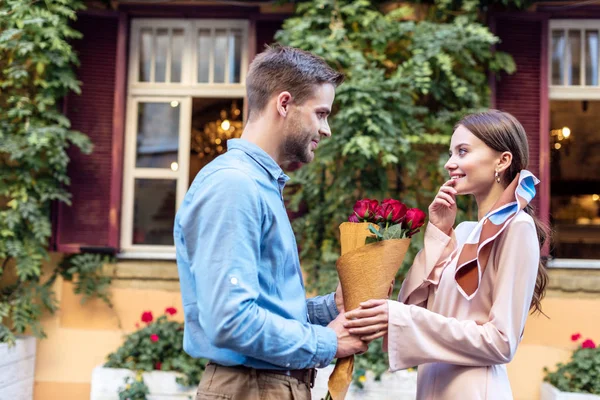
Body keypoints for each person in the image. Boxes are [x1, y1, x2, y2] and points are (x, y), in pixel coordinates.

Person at [174, 45, 368, 400]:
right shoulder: (235, 185)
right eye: (321, 113)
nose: (326, 130)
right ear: (284, 103)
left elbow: (261, 307)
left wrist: (330, 308)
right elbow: (230, 321)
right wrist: (329, 341)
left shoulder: (258, 184)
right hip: (250, 388)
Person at [344, 110, 549, 399]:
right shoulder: (463, 232)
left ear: (502, 161)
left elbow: (502, 342)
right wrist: (438, 232)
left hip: (474, 390)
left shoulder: (517, 228)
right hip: (432, 388)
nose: (449, 163)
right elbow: (413, 303)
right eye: (451, 153)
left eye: (462, 151)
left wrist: (401, 316)